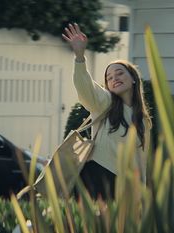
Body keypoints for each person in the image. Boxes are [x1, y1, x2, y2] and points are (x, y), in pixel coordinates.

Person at [62, 23, 152, 200]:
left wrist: (141, 192)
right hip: (95, 177)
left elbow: (141, 161)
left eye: (119, 73)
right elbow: (85, 87)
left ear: (133, 79)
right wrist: (80, 57)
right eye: (109, 78)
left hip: (124, 186)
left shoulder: (143, 120)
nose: (114, 79)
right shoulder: (104, 102)